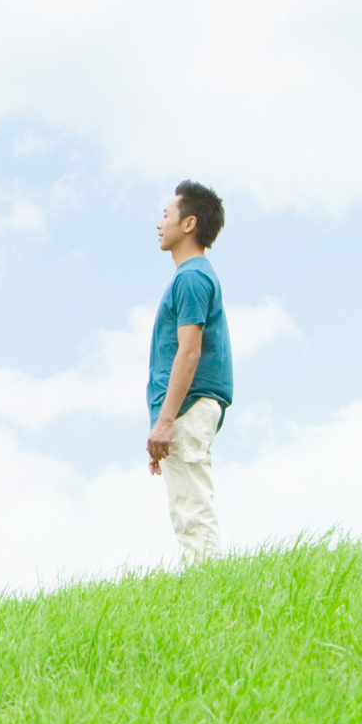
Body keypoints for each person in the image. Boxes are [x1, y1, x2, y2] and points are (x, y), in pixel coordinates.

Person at [146, 181, 234, 564]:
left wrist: (166, 420)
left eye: (166, 214)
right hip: (185, 408)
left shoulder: (191, 278)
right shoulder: (194, 276)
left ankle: (212, 589)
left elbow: (189, 351)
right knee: (187, 507)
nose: (159, 223)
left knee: (192, 512)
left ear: (188, 223)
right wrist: (161, 424)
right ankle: (208, 584)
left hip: (188, 406)